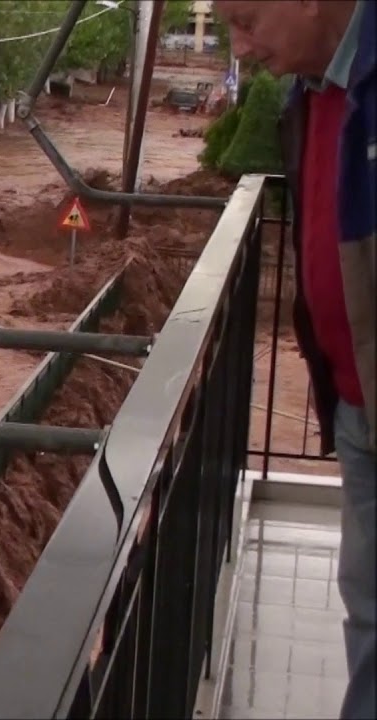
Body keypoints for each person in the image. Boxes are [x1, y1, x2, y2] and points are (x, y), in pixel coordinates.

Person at [213, 2, 375, 719]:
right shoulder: (305, 94)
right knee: (367, 608)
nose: (240, 48)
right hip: (353, 403)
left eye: (246, 20)